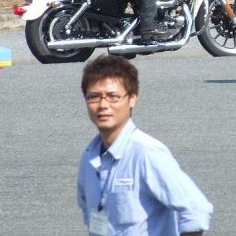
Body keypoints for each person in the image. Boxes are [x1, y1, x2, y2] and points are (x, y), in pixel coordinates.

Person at [77, 54, 213, 235]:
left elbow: (197, 211)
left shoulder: (146, 153)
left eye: (113, 96)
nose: (103, 105)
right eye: (93, 97)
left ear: (132, 98)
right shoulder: (90, 157)